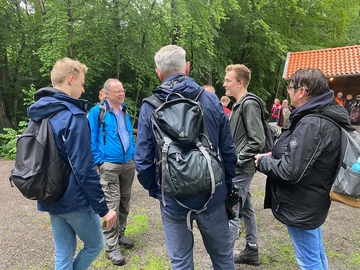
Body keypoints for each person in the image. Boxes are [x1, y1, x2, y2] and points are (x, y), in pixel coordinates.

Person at [134, 45, 237, 270]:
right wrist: (225, 188)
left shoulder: (149, 107)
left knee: (180, 263)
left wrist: (158, 191)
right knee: (223, 258)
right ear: (187, 67)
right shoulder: (210, 101)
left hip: (173, 197)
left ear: (158, 73)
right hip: (212, 192)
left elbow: (142, 162)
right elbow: (229, 152)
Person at [255, 68, 352, 270]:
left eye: (290, 87)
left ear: (302, 91)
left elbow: (291, 171)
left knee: (308, 261)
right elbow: (304, 156)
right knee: (315, 253)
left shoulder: (313, 122)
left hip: (302, 203)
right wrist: (276, 154)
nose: (288, 91)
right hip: (311, 199)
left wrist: (262, 162)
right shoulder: (319, 115)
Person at [28, 57, 117, 269]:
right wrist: (104, 209)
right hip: (73, 199)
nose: (84, 90)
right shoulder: (74, 116)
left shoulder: (38, 114)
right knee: (96, 244)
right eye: (82, 83)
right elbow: (84, 169)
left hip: (49, 194)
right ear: (70, 79)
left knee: (63, 253)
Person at [87, 78, 136, 266]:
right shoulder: (97, 112)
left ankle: (121, 234)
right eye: (117, 91)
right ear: (106, 93)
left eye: (122, 91)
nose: (122, 94)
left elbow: (128, 134)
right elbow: (91, 138)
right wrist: (99, 161)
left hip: (127, 164)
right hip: (109, 165)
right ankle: (111, 246)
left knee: (125, 201)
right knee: (112, 205)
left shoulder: (124, 111)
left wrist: (132, 154)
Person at [223, 64, 265, 266]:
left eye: (228, 80)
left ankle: (224, 260)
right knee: (246, 208)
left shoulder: (248, 104)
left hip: (240, 169)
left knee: (231, 211)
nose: (224, 84)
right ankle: (252, 249)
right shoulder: (238, 105)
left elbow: (258, 140)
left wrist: (236, 158)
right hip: (240, 168)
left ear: (240, 83)